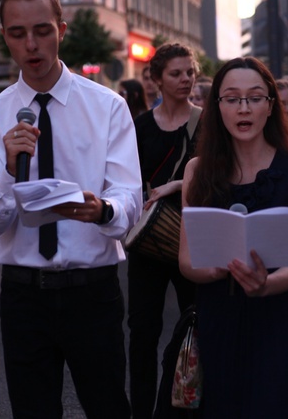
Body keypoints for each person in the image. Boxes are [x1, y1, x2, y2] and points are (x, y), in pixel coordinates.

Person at [0, 0, 141, 418]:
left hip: (93, 292)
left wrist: (102, 209)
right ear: (5, 37)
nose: (32, 44)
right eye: (18, 33)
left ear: (61, 30)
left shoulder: (107, 107)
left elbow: (129, 200)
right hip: (25, 296)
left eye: (42, 30)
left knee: (107, 407)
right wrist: (10, 170)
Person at [178, 56, 288, 418]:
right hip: (218, 317)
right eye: (232, 98)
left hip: (279, 319)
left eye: (255, 98)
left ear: (271, 106)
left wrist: (263, 286)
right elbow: (185, 259)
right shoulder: (197, 170)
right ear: (217, 106)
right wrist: (213, 270)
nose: (244, 108)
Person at [128, 42, 200, 419]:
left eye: (189, 71)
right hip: (148, 243)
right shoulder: (138, 126)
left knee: (194, 325)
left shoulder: (207, 122)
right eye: (176, 73)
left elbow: (217, 177)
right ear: (156, 80)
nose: (186, 79)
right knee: (141, 333)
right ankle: (142, 412)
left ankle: (184, 406)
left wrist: (178, 185)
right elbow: (127, 181)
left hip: (192, 240)